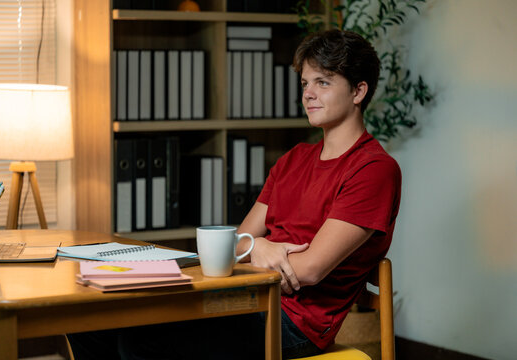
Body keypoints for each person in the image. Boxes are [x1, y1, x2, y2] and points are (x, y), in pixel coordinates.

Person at [67, 28, 401, 360]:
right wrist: (262, 247)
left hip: (291, 323)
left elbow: (308, 270)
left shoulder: (373, 169)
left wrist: (252, 249)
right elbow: (239, 240)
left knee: (142, 339)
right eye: (305, 83)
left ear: (358, 91)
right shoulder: (294, 159)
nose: (308, 94)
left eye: (323, 82)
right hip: (244, 297)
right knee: (90, 319)